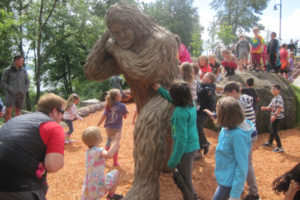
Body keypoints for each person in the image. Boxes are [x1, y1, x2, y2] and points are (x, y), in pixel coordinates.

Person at [0, 93, 65, 200]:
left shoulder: (15, 120)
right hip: (21, 188)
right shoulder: (53, 126)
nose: (62, 117)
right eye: (62, 112)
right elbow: (53, 166)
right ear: (55, 111)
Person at [152, 81, 200, 200]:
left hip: (185, 150)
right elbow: (175, 100)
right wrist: (160, 89)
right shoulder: (191, 104)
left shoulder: (179, 113)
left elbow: (181, 140)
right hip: (193, 145)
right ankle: (192, 196)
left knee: (184, 180)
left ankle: (190, 197)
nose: (170, 94)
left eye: (171, 93)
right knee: (186, 178)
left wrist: (173, 161)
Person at [223, 81, 260, 200]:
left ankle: (254, 193)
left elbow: (231, 118)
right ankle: (240, 187)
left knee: (246, 164)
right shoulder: (244, 99)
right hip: (248, 134)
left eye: (228, 94)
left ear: (234, 92)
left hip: (246, 136)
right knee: (239, 162)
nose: (227, 97)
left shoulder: (239, 103)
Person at [212, 96, 253, 200]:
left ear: (225, 116)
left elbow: (242, 165)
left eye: (218, 112)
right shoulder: (226, 128)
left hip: (229, 182)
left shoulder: (237, 136)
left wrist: (235, 194)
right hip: (224, 177)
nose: (217, 114)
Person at [81, 126, 123, 200]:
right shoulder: (98, 150)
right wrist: (116, 141)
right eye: (100, 134)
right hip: (99, 183)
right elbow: (109, 155)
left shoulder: (89, 151)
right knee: (116, 173)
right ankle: (111, 196)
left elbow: (108, 154)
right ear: (97, 139)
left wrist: (115, 147)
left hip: (89, 184)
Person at [97, 88, 128, 166]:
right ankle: (115, 162)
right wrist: (125, 113)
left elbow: (103, 116)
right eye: (120, 94)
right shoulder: (122, 106)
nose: (121, 95)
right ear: (117, 96)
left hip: (108, 127)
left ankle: (104, 159)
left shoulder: (108, 105)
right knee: (116, 144)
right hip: (117, 128)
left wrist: (98, 125)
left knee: (108, 142)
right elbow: (125, 117)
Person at [1, 55, 30, 122]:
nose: (22, 62)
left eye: (22, 61)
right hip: (11, 95)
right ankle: (7, 129)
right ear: (16, 61)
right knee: (8, 112)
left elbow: (27, 82)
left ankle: (16, 129)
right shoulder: (7, 70)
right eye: (21, 60)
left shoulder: (24, 71)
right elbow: (3, 82)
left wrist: (25, 89)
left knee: (18, 112)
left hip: (21, 95)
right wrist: (10, 89)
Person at [195, 72, 216, 158]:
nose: (203, 77)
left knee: (198, 125)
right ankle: (200, 146)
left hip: (205, 111)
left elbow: (212, 101)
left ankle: (205, 143)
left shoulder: (209, 89)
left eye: (205, 76)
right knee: (196, 126)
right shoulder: (201, 84)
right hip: (199, 110)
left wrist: (211, 112)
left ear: (210, 80)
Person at [261, 84, 284, 153]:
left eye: (274, 89)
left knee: (274, 131)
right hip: (274, 116)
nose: (272, 90)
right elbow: (271, 107)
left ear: (278, 90)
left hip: (277, 117)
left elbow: (280, 107)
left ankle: (280, 147)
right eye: (272, 89)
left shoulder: (279, 98)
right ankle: (270, 142)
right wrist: (265, 108)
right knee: (271, 129)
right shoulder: (274, 98)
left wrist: (274, 115)